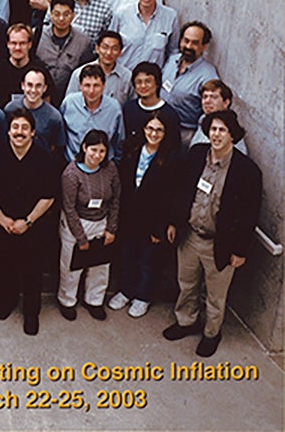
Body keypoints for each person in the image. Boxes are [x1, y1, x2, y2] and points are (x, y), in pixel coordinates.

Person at [163, 111, 261, 357]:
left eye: (222, 130)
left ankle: (211, 333)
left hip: (220, 243)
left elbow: (250, 214)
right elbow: (181, 191)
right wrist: (174, 222)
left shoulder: (246, 170)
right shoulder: (197, 155)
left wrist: (240, 250)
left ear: (232, 135)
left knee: (216, 295)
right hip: (190, 235)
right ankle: (186, 321)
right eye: (213, 129)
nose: (216, 135)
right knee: (186, 284)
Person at [0, 110, 57, 335]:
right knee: (5, 264)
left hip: (33, 225)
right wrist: (2, 219)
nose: (19, 132)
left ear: (33, 132)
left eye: (24, 128)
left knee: (32, 270)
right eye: (15, 127)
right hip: (4, 224)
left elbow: (49, 196)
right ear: (8, 131)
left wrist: (27, 222)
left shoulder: (44, 157)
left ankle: (31, 312)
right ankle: (8, 301)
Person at [109, 112, 179, 319]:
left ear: (165, 133)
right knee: (127, 255)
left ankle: (143, 296)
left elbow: (171, 195)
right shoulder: (132, 150)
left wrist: (163, 225)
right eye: (150, 128)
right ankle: (126, 290)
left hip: (153, 220)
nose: (153, 133)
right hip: (130, 215)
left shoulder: (172, 158)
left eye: (159, 130)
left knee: (149, 261)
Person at [57, 129, 120, 321]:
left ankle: (94, 300)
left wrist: (111, 228)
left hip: (102, 221)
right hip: (76, 223)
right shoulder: (71, 173)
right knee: (71, 267)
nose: (97, 156)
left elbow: (116, 199)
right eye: (93, 150)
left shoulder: (110, 169)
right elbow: (69, 208)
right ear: (84, 147)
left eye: (102, 151)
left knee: (100, 267)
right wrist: (81, 238)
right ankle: (67, 300)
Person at [161, 21, 219, 142]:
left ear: (204, 46)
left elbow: (212, 111)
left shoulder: (208, 75)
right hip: (159, 125)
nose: (188, 46)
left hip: (183, 133)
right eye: (186, 40)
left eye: (195, 43)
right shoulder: (172, 60)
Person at [110, 0, 178, 68]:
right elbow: (110, 44)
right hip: (124, 78)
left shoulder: (170, 17)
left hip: (151, 80)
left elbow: (173, 53)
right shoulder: (121, 14)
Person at [33, 0, 94, 100]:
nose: (61, 19)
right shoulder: (37, 35)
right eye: (57, 14)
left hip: (70, 96)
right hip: (39, 96)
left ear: (73, 15)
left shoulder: (84, 42)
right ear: (50, 14)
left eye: (66, 14)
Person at [60, 64, 124, 163]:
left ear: (103, 86)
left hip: (103, 166)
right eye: (87, 85)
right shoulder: (69, 103)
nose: (91, 91)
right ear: (80, 86)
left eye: (96, 85)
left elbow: (119, 141)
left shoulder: (114, 108)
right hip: (73, 163)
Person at [3, 66, 66, 160]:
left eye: (38, 86)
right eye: (29, 85)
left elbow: (56, 147)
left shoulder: (54, 117)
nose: (33, 90)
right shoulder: (10, 109)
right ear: (23, 86)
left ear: (44, 88)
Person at [65, 30, 133, 108]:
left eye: (114, 48)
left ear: (120, 52)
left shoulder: (127, 77)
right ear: (97, 48)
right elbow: (70, 103)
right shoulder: (79, 73)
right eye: (105, 47)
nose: (109, 53)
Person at [122, 61, 181, 143]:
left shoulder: (169, 114)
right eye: (139, 82)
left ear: (157, 83)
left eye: (148, 81)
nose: (143, 86)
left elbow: (173, 147)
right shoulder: (129, 108)